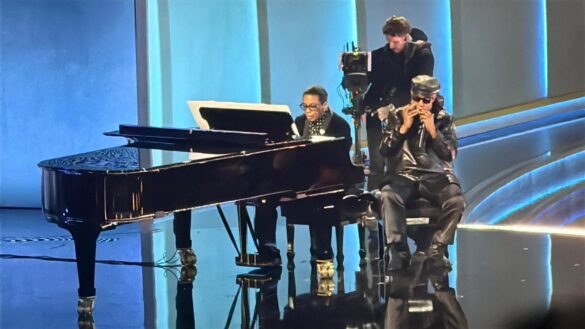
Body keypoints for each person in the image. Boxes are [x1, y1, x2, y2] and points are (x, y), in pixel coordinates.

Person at [254, 85, 352, 267]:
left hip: (329, 177)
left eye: (313, 106)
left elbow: (339, 160)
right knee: (265, 194)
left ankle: (322, 252)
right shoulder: (298, 123)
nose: (308, 111)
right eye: (305, 106)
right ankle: (268, 249)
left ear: (325, 105)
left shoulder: (340, 125)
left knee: (319, 199)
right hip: (300, 176)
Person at [377, 75, 464, 272]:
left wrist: (434, 132)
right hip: (405, 175)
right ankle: (398, 250)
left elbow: (450, 155)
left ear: (434, 98)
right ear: (411, 95)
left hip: (436, 176)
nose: (420, 104)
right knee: (389, 195)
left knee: (456, 201)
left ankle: (438, 246)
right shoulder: (398, 115)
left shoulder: (444, 119)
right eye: (417, 99)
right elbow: (385, 150)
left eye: (426, 100)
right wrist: (403, 128)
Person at [364, 16, 434, 190]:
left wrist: (392, 108)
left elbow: (417, 89)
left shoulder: (422, 55)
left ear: (406, 36)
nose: (391, 46)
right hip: (378, 111)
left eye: (395, 41)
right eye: (388, 41)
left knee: (402, 162)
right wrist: (363, 106)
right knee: (376, 163)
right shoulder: (383, 54)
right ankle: (375, 200)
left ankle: (401, 198)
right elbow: (375, 82)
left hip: (407, 113)